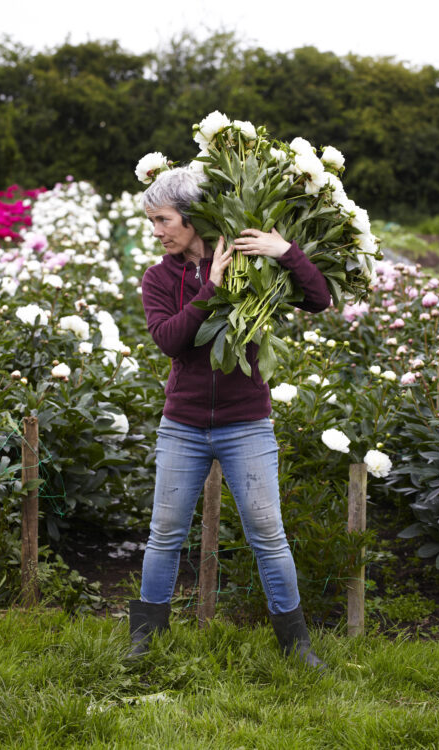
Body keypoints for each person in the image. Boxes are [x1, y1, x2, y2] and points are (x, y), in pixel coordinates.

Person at [129, 167, 331, 669]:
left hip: (247, 424)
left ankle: (296, 644)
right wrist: (211, 288)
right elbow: (170, 340)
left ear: (193, 218)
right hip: (184, 424)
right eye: (152, 221)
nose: (157, 231)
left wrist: (285, 253)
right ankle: (143, 640)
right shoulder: (159, 277)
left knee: (267, 532)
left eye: (163, 219)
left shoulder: (251, 261)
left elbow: (320, 299)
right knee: (166, 533)